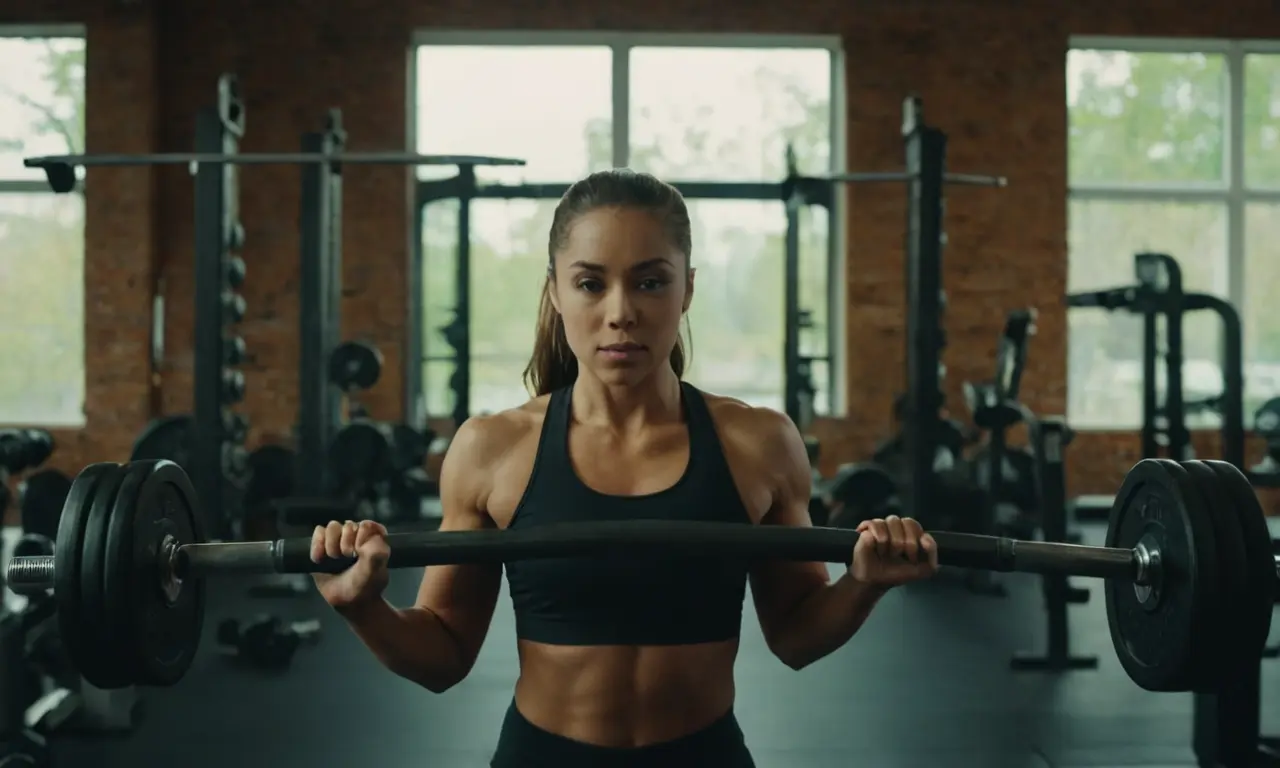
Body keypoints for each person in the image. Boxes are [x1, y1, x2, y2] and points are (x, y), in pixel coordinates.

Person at [310, 169, 940, 767]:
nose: (621, 312)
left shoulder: (760, 443)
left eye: (649, 281)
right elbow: (443, 654)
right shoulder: (491, 449)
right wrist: (363, 609)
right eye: (590, 284)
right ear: (555, 289)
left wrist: (864, 583)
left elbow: (797, 637)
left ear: (687, 287)